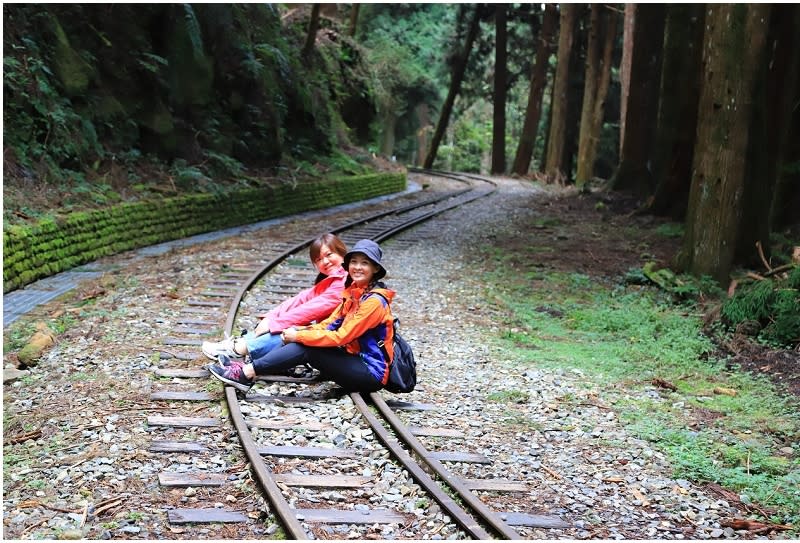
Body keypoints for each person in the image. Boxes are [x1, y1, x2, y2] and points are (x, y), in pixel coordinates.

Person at [208, 239, 395, 393]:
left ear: (375, 269)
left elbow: (342, 336)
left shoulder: (374, 302)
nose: (357, 267)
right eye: (354, 262)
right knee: (303, 339)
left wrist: (299, 335)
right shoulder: (354, 292)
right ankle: (248, 369)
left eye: (365, 263)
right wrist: (299, 331)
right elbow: (330, 323)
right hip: (353, 359)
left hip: (371, 373)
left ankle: (245, 373)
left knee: (307, 347)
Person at [201, 233, 348, 362]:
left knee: (291, 331)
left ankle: (239, 349)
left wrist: (274, 324)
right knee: (288, 326)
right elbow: (300, 300)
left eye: (329, 255)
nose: (325, 262)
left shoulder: (344, 282)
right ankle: (242, 346)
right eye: (319, 259)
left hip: (342, 344)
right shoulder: (334, 279)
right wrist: (271, 317)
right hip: (329, 336)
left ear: (342, 253)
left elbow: (311, 310)